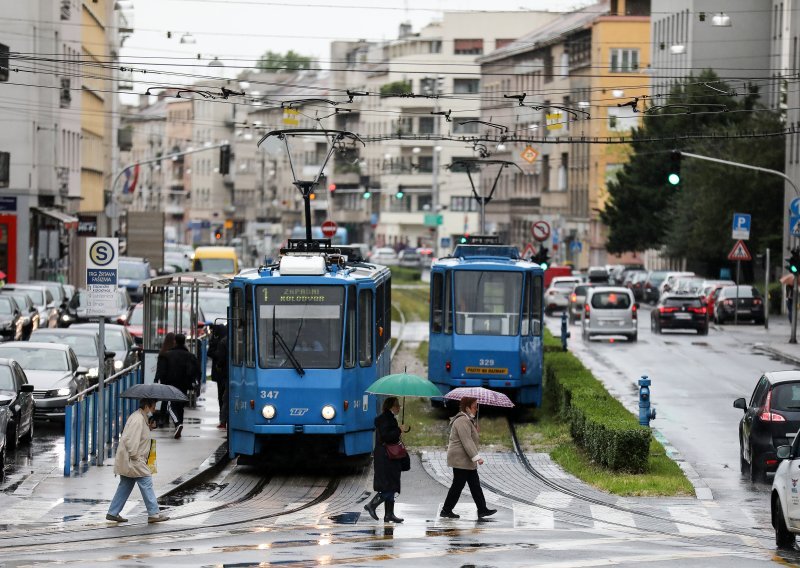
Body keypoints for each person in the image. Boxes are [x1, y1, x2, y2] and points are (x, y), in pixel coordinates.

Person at [106, 398, 170, 524]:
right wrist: (136, 457)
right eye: (153, 406)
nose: (154, 409)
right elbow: (131, 440)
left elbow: (138, 436)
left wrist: (149, 427)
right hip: (134, 459)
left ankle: (113, 512)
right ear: (147, 406)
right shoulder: (138, 419)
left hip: (131, 459)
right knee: (146, 481)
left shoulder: (140, 418)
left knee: (125, 484)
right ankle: (154, 514)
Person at [440, 396, 497, 520]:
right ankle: (446, 510)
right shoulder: (462, 421)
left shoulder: (468, 420)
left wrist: (475, 430)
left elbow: (470, 438)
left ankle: (482, 509)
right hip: (460, 459)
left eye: (476, 406)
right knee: (458, 485)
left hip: (465, 459)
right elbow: (467, 442)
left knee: (474, 484)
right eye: (474, 406)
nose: (476, 409)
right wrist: (477, 457)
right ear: (467, 408)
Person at [364, 396, 408, 523]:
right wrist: (399, 430)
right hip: (386, 457)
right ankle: (372, 505)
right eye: (397, 405)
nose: (399, 407)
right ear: (391, 407)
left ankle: (389, 514)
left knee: (391, 485)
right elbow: (387, 437)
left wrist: (398, 430)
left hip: (387, 456)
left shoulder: (388, 419)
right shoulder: (386, 419)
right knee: (389, 486)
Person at [155, 333, 200, 439]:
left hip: (170, 384)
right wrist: (194, 383)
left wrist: (157, 379)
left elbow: (161, 370)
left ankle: (177, 424)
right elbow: (195, 371)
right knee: (180, 405)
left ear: (175, 341)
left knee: (171, 406)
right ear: (184, 342)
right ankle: (180, 424)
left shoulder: (166, 355)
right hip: (184, 384)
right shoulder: (189, 356)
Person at [207, 324, 229, 429]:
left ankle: (223, 419)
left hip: (221, 373)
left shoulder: (221, 342)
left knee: (222, 396)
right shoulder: (231, 340)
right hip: (226, 373)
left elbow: (215, 356)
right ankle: (225, 418)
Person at [153, 333, 177, 428]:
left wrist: (156, 378)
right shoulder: (173, 353)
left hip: (165, 379)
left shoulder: (162, 353)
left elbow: (159, 368)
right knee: (172, 399)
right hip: (173, 378)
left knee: (165, 399)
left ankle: (162, 418)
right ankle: (171, 417)